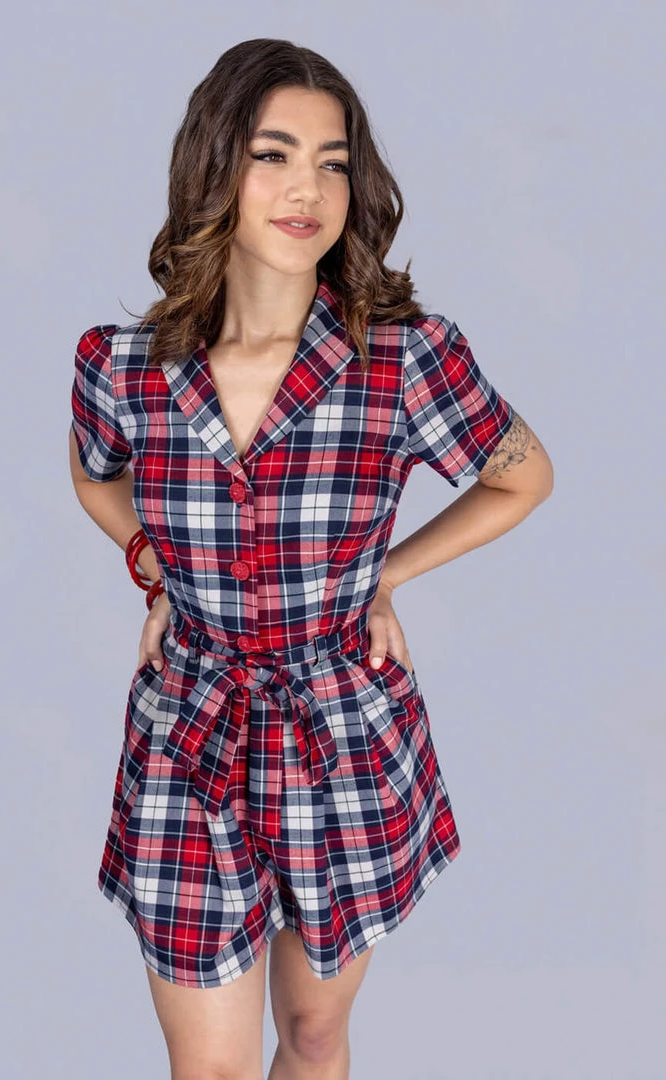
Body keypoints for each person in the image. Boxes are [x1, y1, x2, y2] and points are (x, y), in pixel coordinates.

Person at [68, 37, 553, 1080]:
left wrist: (385, 575)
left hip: (339, 729)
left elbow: (523, 477)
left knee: (314, 1035)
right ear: (213, 166)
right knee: (211, 1070)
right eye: (273, 154)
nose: (308, 189)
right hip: (190, 731)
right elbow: (94, 473)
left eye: (333, 163)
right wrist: (155, 566)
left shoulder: (403, 358)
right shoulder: (126, 367)